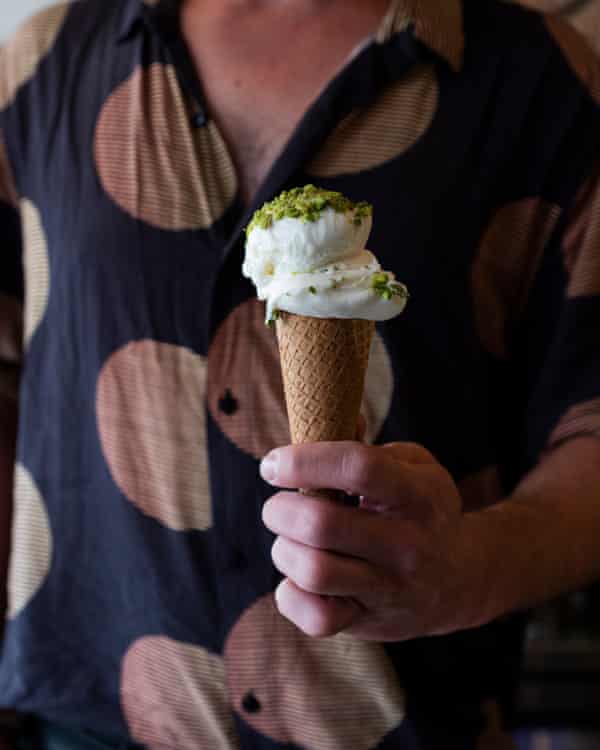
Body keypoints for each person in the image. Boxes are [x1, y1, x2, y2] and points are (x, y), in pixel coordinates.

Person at [0, 0, 599, 747]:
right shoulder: (43, 63)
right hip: (87, 723)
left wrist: (471, 568)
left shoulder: (549, 83)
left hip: (412, 727)